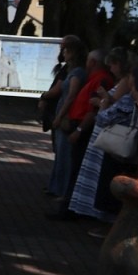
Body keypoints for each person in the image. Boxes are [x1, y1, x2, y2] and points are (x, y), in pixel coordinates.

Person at [69, 50, 136, 231]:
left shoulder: (126, 85)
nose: (110, 68)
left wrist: (103, 102)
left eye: (113, 64)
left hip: (112, 135)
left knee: (107, 178)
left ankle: (105, 219)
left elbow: (112, 110)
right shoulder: (123, 84)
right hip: (108, 133)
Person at [50, 48, 112, 221]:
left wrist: (79, 130)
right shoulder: (93, 78)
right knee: (75, 166)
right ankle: (70, 205)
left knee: (76, 168)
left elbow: (92, 110)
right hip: (79, 124)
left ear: (92, 62)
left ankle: (70, 209)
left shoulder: (100, 79)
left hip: (83, 128)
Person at [47, 36, 87, 200]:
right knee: (60, 153)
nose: (63, 53)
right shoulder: (70, 71)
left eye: (66, 50)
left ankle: (63, 190)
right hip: (63, 111)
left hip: (66, 116)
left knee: (65, 154)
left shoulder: (77, 72)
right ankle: (56, 187)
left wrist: (60, 116)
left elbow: (71, 96)